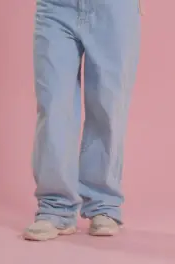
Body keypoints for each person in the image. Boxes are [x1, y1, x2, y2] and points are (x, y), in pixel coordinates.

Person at [23, 0, 142, 241]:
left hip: (114, 9)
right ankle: (55, 207)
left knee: (108, 106)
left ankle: (103, 203)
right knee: (54, 103)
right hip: (56, 7)